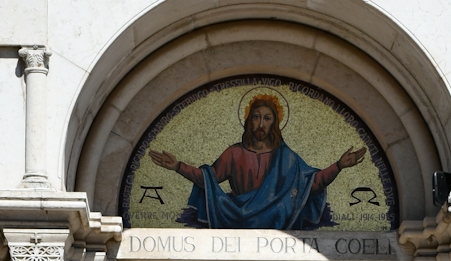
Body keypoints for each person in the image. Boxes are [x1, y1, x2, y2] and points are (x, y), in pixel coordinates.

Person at [149, 94, 365, 231]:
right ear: (248, 121)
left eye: (267, 118)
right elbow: (209, 180)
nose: (261, 123)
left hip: (279, 220)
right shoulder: (234, 154)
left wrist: (338, 166)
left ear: (275, 124)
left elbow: (311, 183)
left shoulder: (286, 157)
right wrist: (178, 167)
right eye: (256, 117)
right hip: (237, 217)